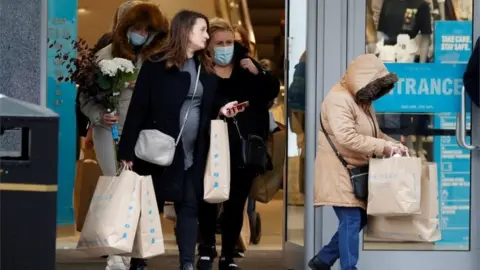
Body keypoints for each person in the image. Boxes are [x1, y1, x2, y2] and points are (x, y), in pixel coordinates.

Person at [117, 10, 241, 270]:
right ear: (185, 31)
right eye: (202, 30)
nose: (207, 36)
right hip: (157, 150)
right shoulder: (156, 66)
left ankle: (186, 263)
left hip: (193, 151)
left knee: (189, 205)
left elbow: (210, 102)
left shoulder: (204, 67)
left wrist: (223, 108)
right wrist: (126, 151)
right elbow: (138, 108)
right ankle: (138, 260)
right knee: (150, 206)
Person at [77, 2, 169, 270]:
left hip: (146, 136)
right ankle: (118, 254)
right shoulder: (104, 56)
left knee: (140, 191)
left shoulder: (159, 58)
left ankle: (135, 252)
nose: (141, 34)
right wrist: (99, 116)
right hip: (111, 134)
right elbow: (85, 97)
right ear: (124, 28)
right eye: (136, 29)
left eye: (146, 30)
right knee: (117, 189)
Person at [309, 54, 408, 270]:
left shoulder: (362, 102)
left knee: (359, 218)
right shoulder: (338, 99)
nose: (374, 93)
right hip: (339, 171)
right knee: (351, 220)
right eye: (373, 86)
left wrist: (394, 145)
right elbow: (347, 136)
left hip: (355, 170)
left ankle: (323, 260)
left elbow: (375, 132)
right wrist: (385, 148)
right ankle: (348, 267)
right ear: (362, 80)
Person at [196, 18, 280, 270]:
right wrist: (218, 108)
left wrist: (259, 72)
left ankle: (228, 254)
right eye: (219, 43)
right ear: (208, 45)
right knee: (208, 198)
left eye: (229, 42)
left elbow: (269, 93)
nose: (225, 47)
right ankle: (207, 249)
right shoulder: (201, 68)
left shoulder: (247, 67)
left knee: (236, 202)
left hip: (243, 144)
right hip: (209, 142)